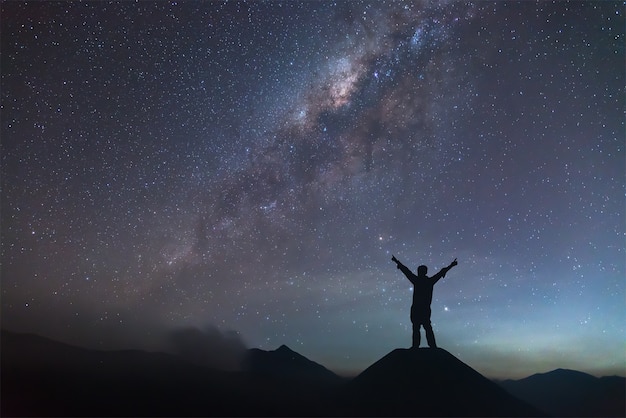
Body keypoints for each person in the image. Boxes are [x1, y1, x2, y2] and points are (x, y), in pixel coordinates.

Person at [391, 255, 457, 348]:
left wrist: (397, 262)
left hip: (418, 309)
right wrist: (451, 265)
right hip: (423, 309)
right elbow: (441, 272)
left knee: (418, 328)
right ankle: (431, 346)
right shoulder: (429, 281)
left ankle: (417, 346)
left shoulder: (418, 280)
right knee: (425, 327)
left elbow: (407, 271)